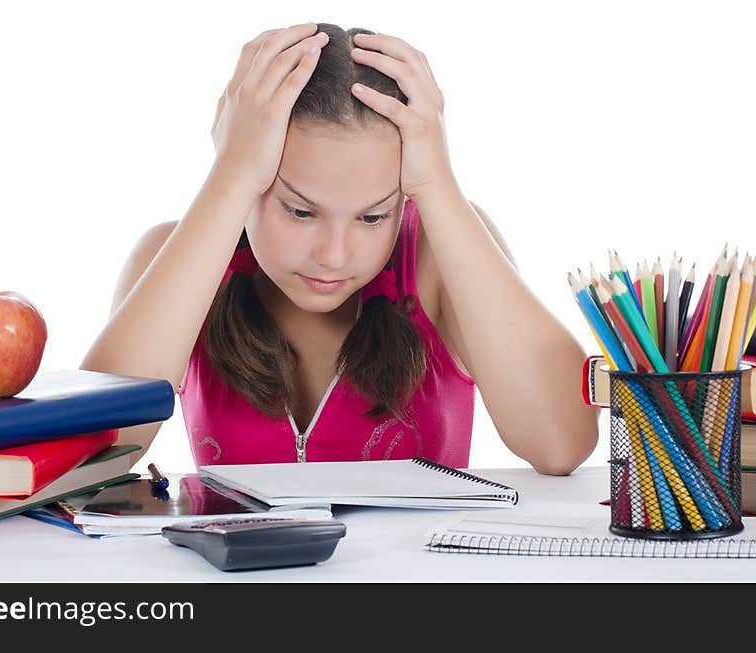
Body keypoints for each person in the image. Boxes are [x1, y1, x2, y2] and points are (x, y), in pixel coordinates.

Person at [81, 21, 599, 475]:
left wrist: (438, 183)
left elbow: (560, 445)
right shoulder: (174, 256)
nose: (333, 255)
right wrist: (229, 172)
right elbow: (96, 451)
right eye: (300, 211)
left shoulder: (437, 253)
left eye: (373, 216)